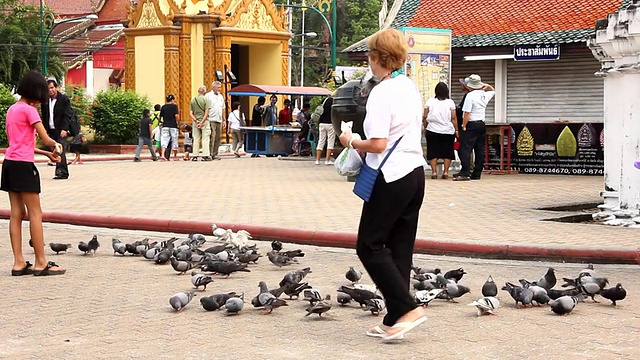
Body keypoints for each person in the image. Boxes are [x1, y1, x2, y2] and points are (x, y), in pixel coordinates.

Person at [338, 28, 427, 341]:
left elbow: (377, 144)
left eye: (369, 56)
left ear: (376, 58)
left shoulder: (381, 92)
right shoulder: (409, 87)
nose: (368, 60)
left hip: (390, 177)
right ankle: (394, 319)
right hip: (415, 173)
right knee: (399, 247)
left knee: (370, 245)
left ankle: (406, 307)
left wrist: (350, 140)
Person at [2, 71, 66, 276]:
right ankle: (41, 262)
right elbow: (46, 137)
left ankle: (19, 262)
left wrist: (46, 154)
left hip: (10, 164)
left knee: (16, 214)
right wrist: (55, 146)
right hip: (24, 166)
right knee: (35, 213)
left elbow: (18, 143)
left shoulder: (12, 110)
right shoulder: (30, 111)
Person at [454, 74, 495, 181]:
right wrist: (485, 85)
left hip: (471, 124)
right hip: (481, 124)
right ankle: (477, 173)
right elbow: (492, 90)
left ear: (469, 86)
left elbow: (467, 112)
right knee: (479, 150)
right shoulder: (484, 95)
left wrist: (463, 125)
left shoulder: (470, 96)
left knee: (465, 149)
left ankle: (465, 172)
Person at [423, 82, 457, 179]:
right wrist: (457, 130)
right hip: (448, 131)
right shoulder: (450, 102)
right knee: (448, 151)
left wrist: (425, 127)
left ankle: (434, 172)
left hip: (432, 129)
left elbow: (425, 116)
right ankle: (445, 172)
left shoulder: (430, 101)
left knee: (432, 150)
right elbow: (453, 118)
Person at [41, 77, 73, 179]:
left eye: (52, 88)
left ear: (56, 88)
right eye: (48, 89)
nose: (50, 90)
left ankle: (62, 171)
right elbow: (45, 115)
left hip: (61, 129)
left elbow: (67, 115)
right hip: (51, 128)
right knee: (55, 149)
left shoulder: (64, 99)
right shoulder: (45, 101)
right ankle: (60, 170)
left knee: (60, 149)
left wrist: (65, 128)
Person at [189, 85, 212, 161]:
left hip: (195, 122)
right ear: (204, 91)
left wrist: (196, 120)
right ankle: (205, 155)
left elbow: (191, 113)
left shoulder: (193, 100)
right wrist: (202, 122)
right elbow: (206, 113)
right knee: (205, 138)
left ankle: (195, 155)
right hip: (204, 121)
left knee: (196, 138)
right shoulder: (206, 100)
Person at [205, 81, 225, 160]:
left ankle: (215, 153)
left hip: (219, 119)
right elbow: (205, 108)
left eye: (220, 87)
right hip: (211, 119)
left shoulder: (221, 96)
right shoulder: (208, 96)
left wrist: (224, 120)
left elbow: (223, 108)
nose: (220, 89)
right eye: (218, 87)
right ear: (213, 87)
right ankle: (209, 153)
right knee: (212, 137)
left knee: (218, 137)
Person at [315, 96, 335, 165]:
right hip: (330, 124)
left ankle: (317, 160)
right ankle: (327, 160)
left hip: (321, 123)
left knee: (321, 141)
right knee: (330, 141)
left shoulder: (324, 101)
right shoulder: (334, 102)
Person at [159, 94, 180, 161]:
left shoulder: (163, 107)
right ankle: (175, 156)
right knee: (174, 140)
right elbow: (176, 116)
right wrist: (178, 123)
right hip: (173, 125)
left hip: (165, 125)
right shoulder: (174, 106)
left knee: (164, 140)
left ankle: (162, 155)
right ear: (172, 99)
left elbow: (161, 116)